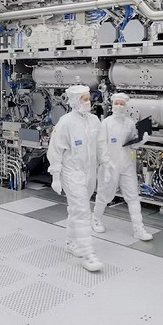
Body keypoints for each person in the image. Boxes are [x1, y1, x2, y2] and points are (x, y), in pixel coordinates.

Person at [47, 84, 107, 272]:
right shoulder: (65, 122)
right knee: (82, 212)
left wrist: (106, 163)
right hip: (71, 172)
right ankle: (88, 254)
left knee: (77, 209)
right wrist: (55, 175)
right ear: (74, 101)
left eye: (89, 98)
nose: (88, 102)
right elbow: (55, 149)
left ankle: (70, 242)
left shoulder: (94, 121)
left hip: (89, 173)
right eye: (84, 99)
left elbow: (101, 144)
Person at [92, 93, 153, 242]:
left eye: (122, 104)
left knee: (133, 197)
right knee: (104, 195)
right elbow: (100, 145)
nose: (119, 106)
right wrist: (105, 163)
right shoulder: (106, 123)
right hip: (110, 165)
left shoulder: (130, 123)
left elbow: (132, 144)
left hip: (126, 165)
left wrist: (141, 141)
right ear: (112, 105)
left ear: (126, 106)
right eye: (116, 103)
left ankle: (138, 228)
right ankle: (95, 219)